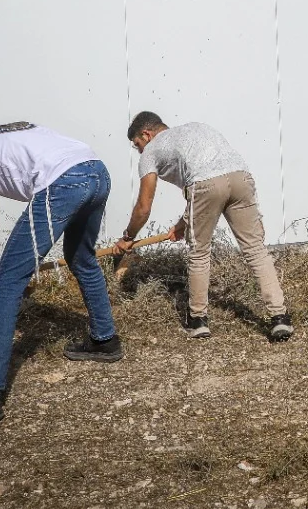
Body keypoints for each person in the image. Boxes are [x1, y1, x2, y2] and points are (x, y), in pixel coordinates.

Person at [0, 122, 122, 427]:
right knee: (82, 258)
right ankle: (105, 340)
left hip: (64, 181)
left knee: (6, 284)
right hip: (96, 171)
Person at [114, 112, 293, 342]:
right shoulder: (195, 128)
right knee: (256, 249)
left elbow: (144, 207)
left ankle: (198, 321)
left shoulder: (150, 151)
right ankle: (279, 317)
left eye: (137, 145)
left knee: (199, 253)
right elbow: (208, 180)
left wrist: (128, 236)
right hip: (241, 177)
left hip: (206, 185)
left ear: (146, 135)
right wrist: (184, 222)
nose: (139, 151)